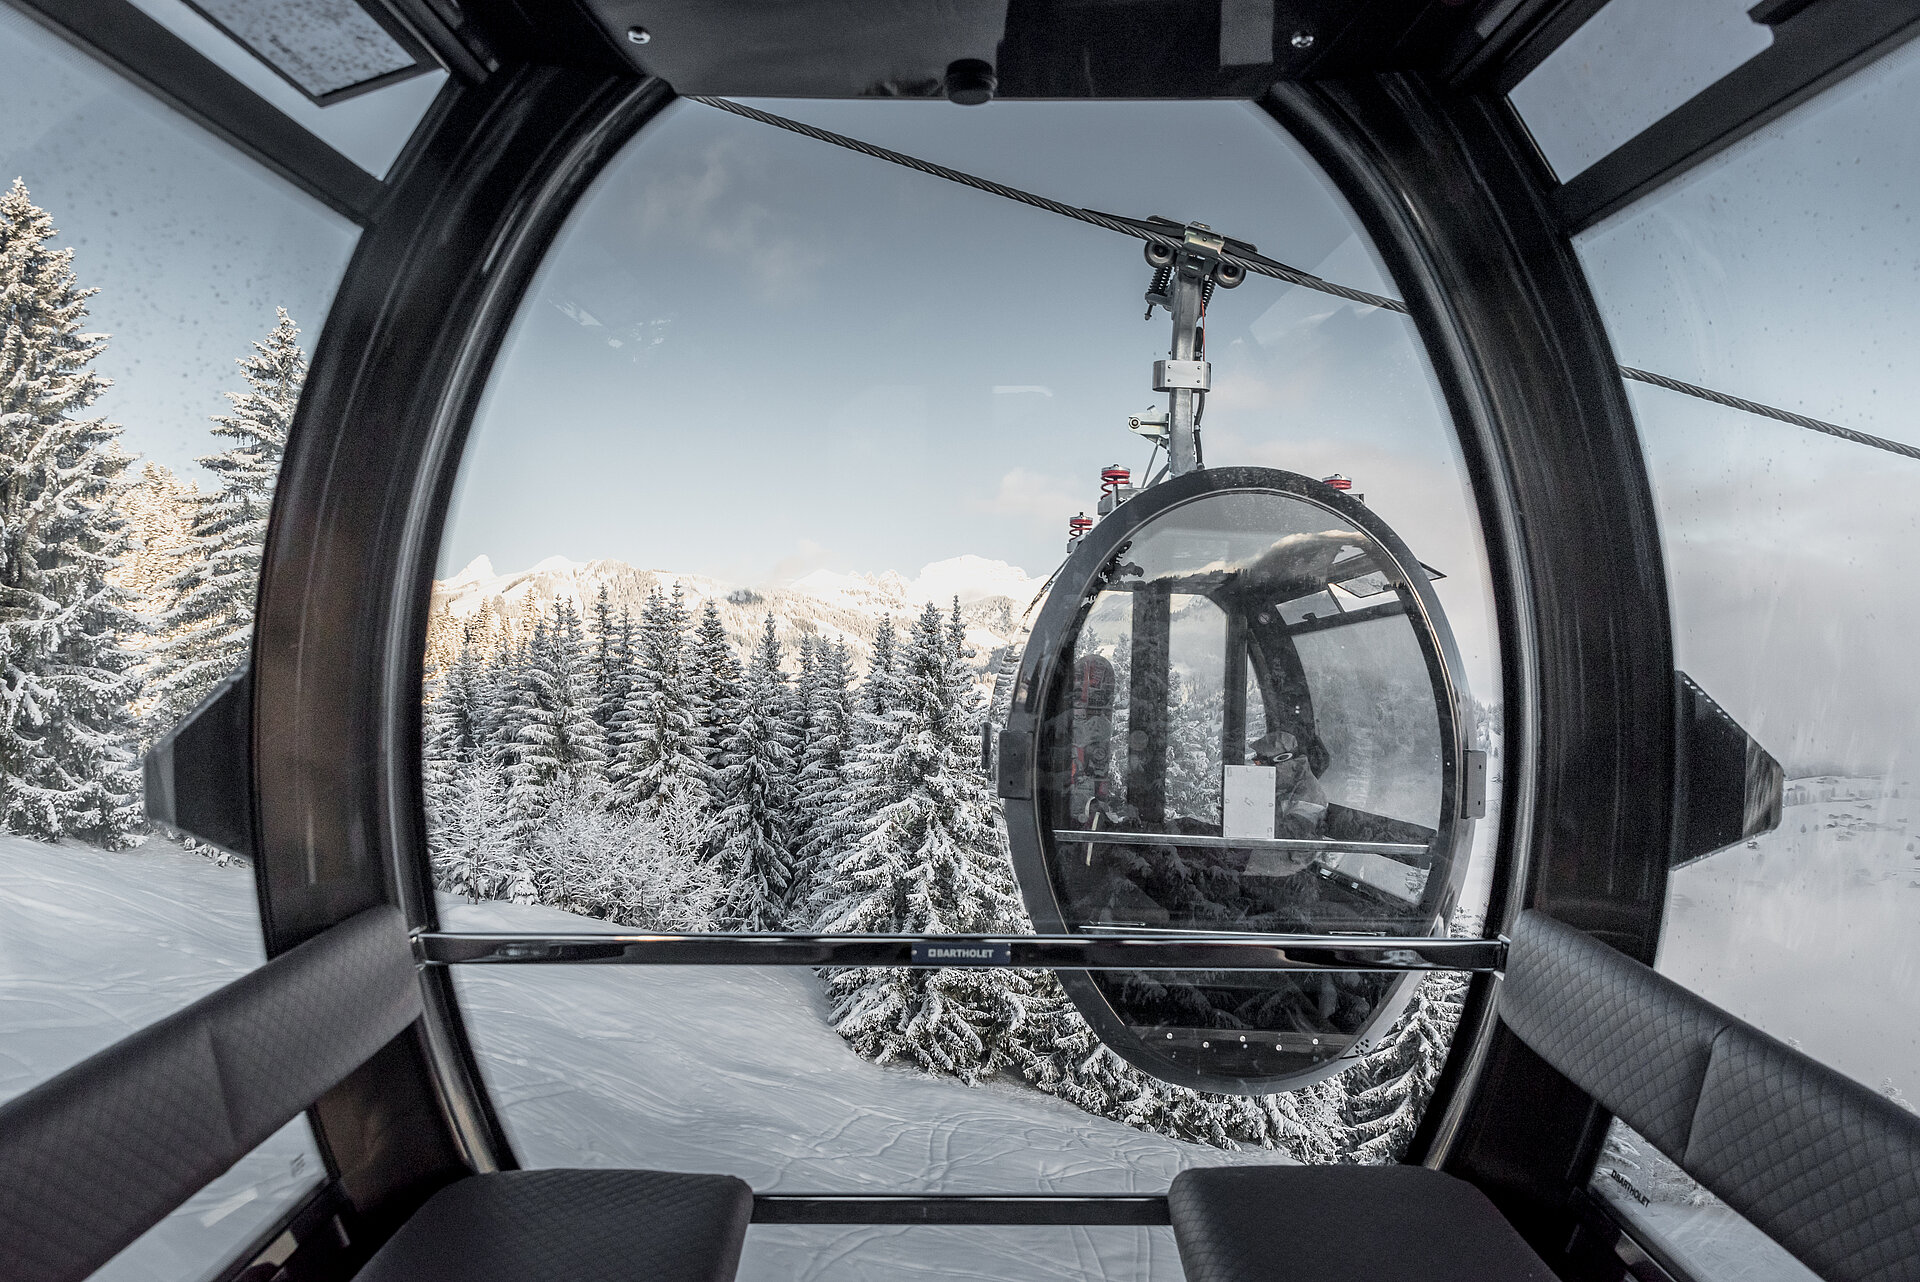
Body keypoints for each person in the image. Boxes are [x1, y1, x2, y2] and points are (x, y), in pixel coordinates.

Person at [1249, 728, 1328, 837]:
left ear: (1283, 761)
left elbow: (1285, 837)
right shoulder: (1288, 786)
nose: (1259, 769)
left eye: (1260, 763)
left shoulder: (1308, 797)